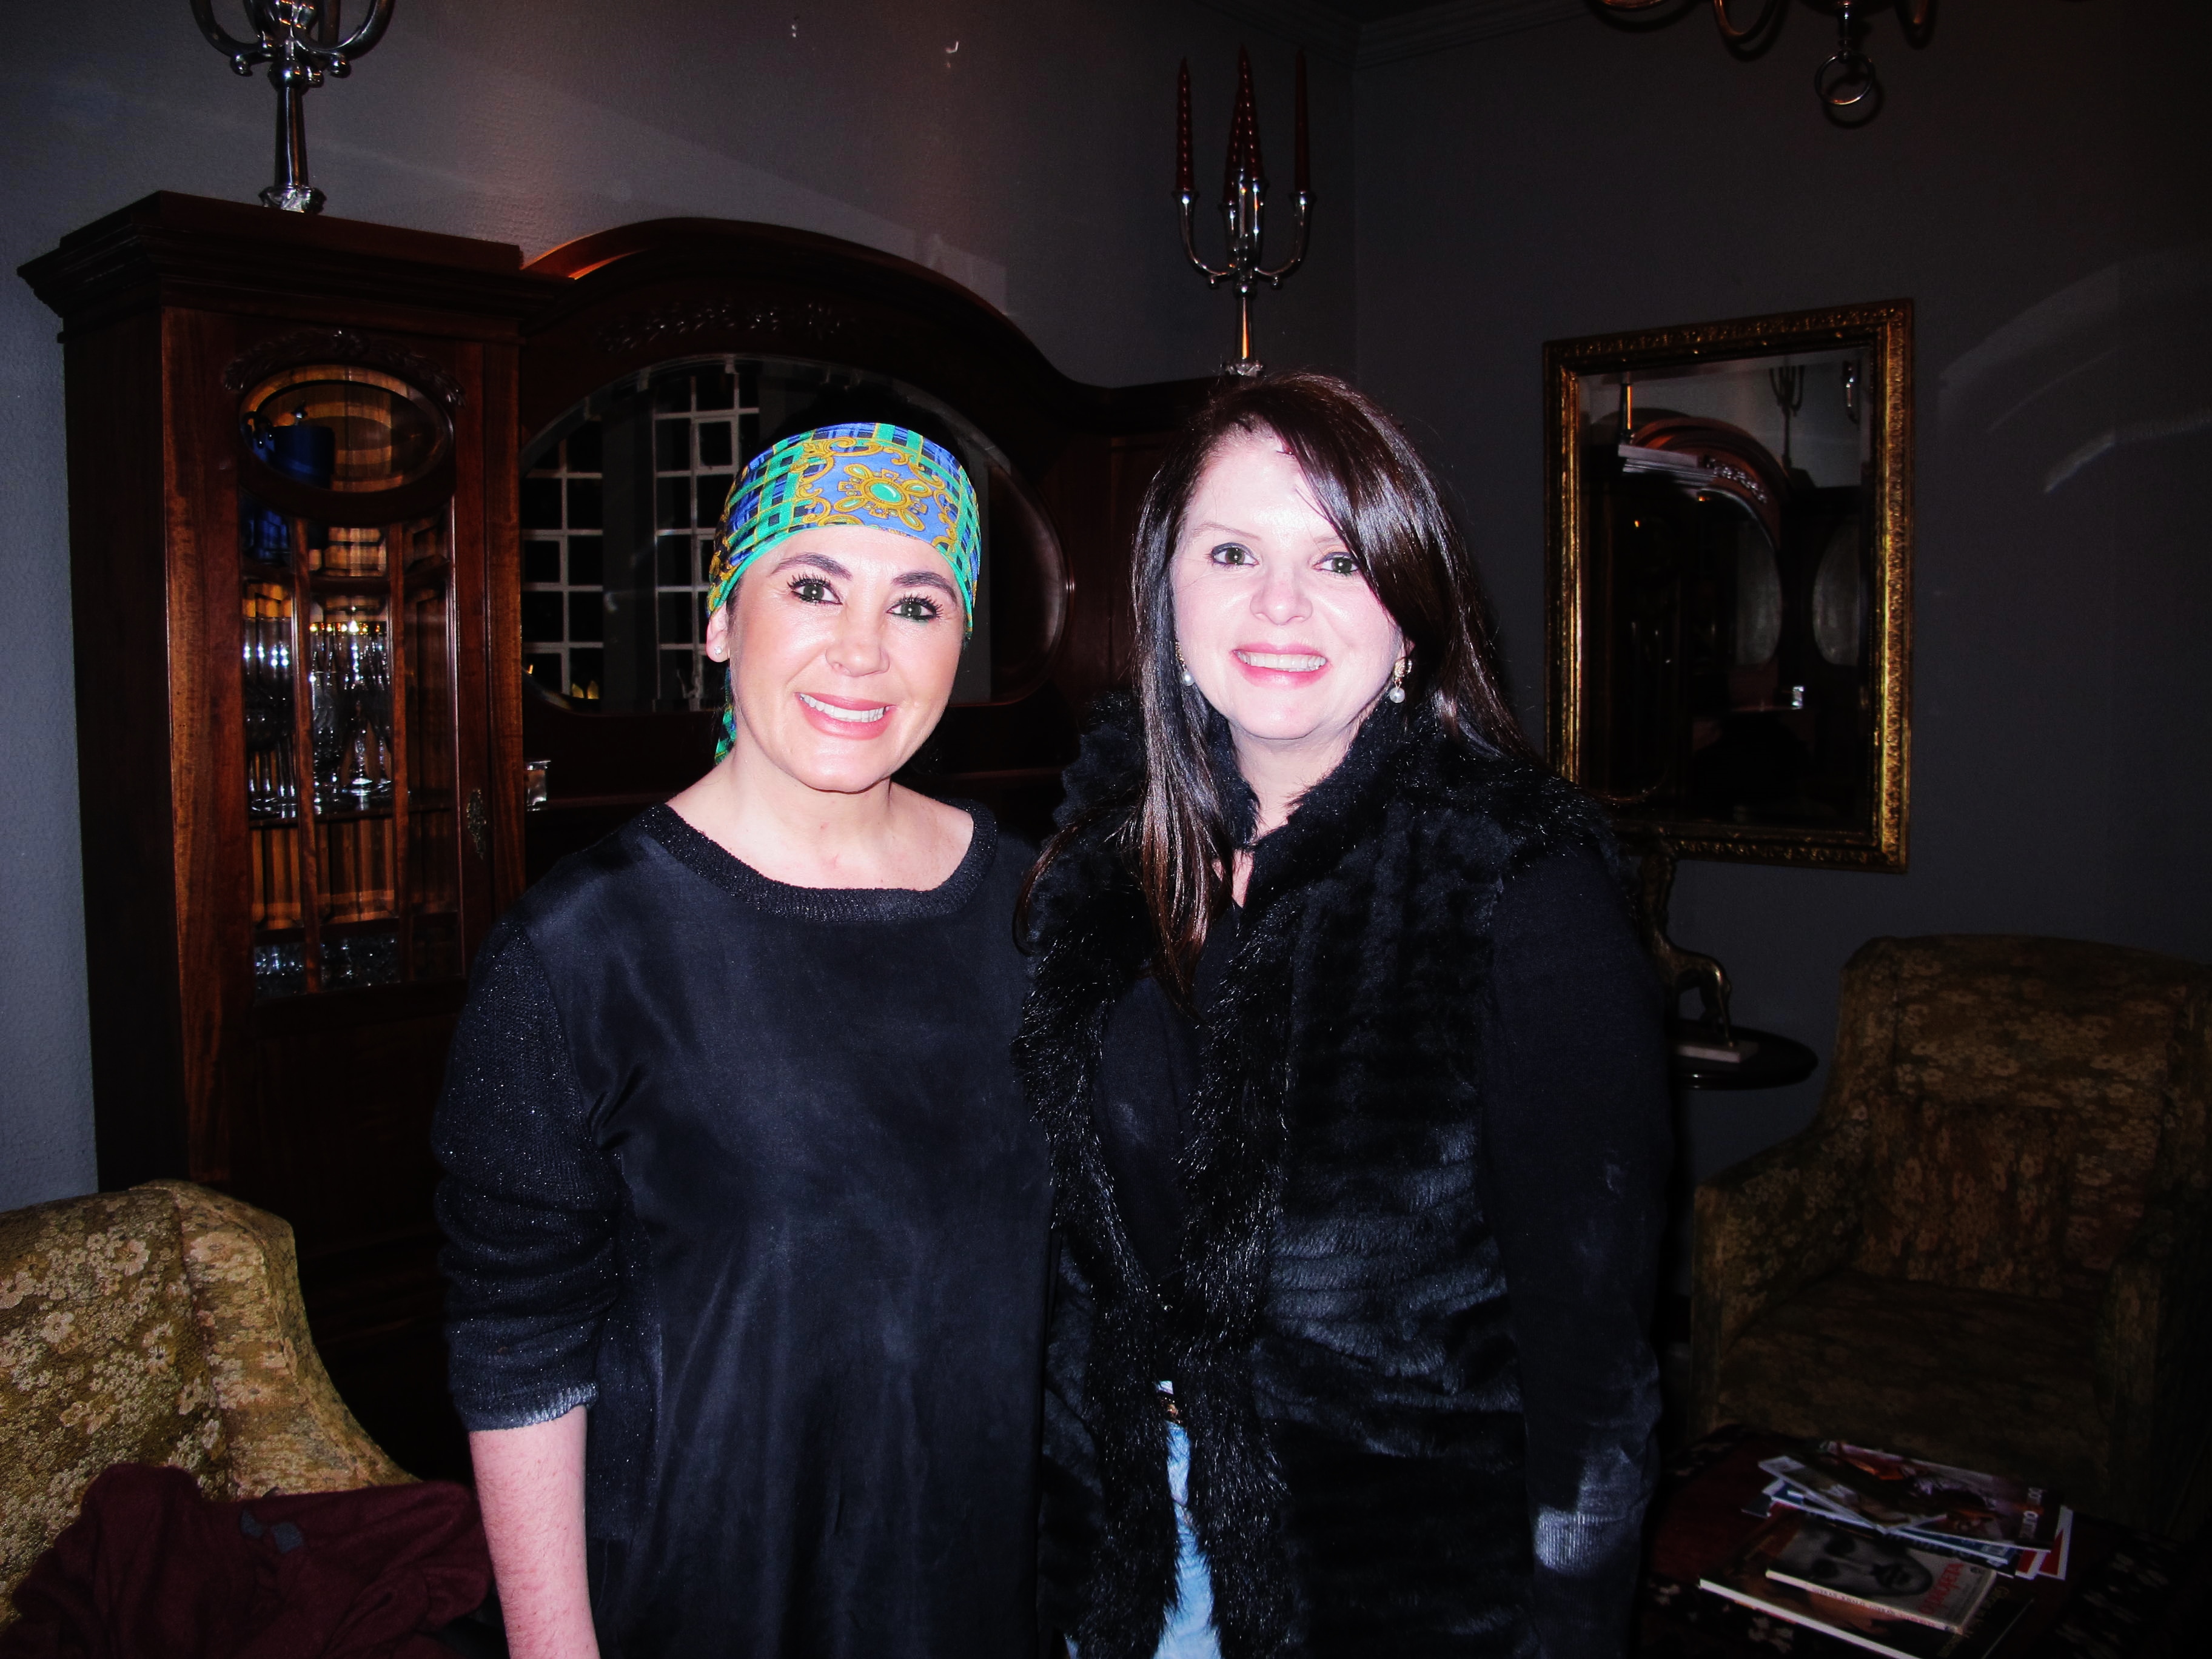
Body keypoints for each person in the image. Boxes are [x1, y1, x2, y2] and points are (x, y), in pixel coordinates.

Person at [1015, 374, 1670, 1659]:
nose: (1280, 604)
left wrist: (1572, 1627)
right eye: (1232, 553)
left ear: (1411, 609)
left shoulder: (1520, 888)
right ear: (1165, 594)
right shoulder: (1092, 874)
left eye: (1336, 558)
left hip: (1394, 1585)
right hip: (1117, 1558)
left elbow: (1594, 1357)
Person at [434, 423, 1051, 1659]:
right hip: (705, 1598)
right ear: (721, 618)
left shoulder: (1037, 910)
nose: (863, 650)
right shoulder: (580, 949)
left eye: (917, 604)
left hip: (984, 1592)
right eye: (813, 587)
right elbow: (517, 1344)